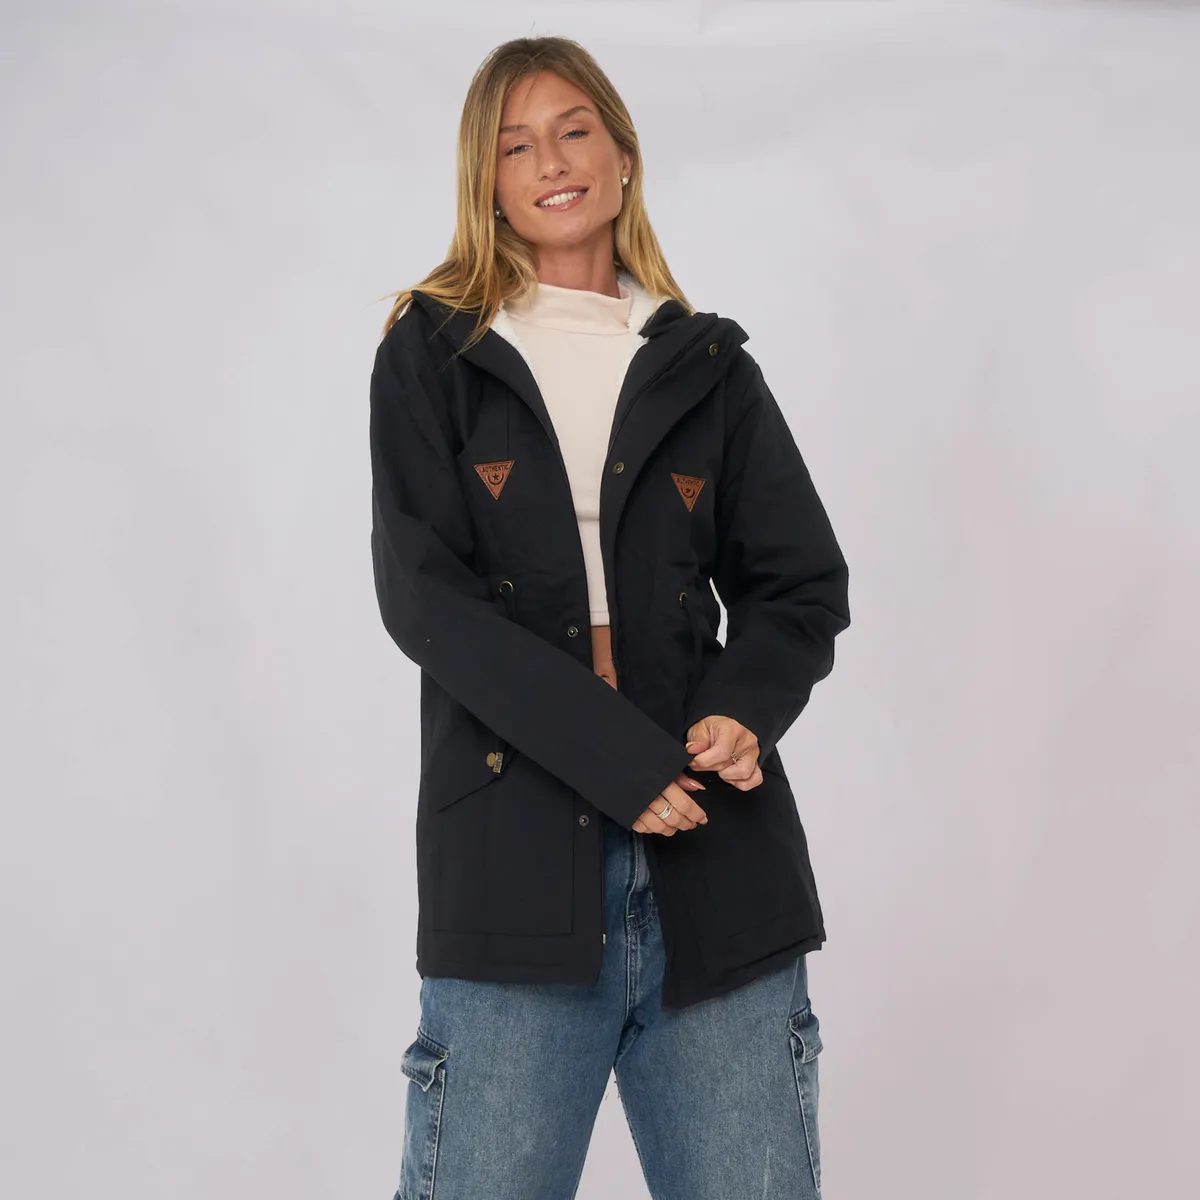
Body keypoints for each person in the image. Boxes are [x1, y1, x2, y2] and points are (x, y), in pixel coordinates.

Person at [369, 35, 850, 1200]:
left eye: (573, 130)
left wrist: (744, 707)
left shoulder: (711, 367)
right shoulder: (436, 352)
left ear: (623, 156)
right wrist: (616, 759)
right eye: (514, 146)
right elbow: (425, 599)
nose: (550, 162)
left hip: (719, 865)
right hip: (513, 871)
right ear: (486, 183)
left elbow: (798, 583)